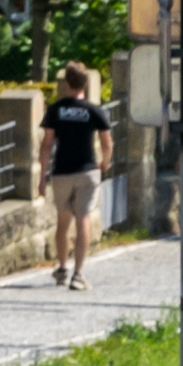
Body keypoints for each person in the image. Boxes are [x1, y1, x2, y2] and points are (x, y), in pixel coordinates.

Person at [42, 67, 109, 288]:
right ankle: (78, 275)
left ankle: (62, 268)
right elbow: (107, 142)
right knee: (84, 219)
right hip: (87, 171)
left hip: (62, 172)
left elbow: (46, 145)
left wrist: (42, 177)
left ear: (67, 84)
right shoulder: (94, 110)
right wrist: (105, 163)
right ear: (86, 84)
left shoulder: (55, 110)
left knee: (63, 221)